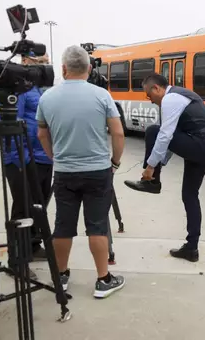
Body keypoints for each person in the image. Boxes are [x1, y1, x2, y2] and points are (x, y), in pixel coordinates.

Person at [36, 45, 126, 299]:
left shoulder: (47, 98)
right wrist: (115, 163)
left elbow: (42, 133)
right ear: (88, 69)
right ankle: (103, 280)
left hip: (65, 172)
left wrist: (56, 158)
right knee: (97, 226)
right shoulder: (102, 95)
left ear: (63, 69)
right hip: (98, 171)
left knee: (63, 226)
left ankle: (61, 276)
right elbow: (118, 133)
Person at [124, 73, 205, 263]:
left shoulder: (170, 99)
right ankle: (191, 248)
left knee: (153, 131)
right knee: (189, 195)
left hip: (201, 145)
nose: (150, 101)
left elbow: (165, 136)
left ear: (157, 88)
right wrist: (160, 163)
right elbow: (174, 138)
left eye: (149, 96)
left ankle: (152, 182)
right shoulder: (181, 96)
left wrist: (150, 168)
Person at [0, 52, 53, 281]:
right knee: (23, 207)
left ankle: (33, 244)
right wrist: (20, 158)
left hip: (43, 156)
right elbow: (10, 124)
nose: (43, 66)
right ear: (26, 62)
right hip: (22, 157)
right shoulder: (18, 89)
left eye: (45, 62)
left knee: (39, 206)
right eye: (39, 62)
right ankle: (17, 259)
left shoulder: (40, 88)